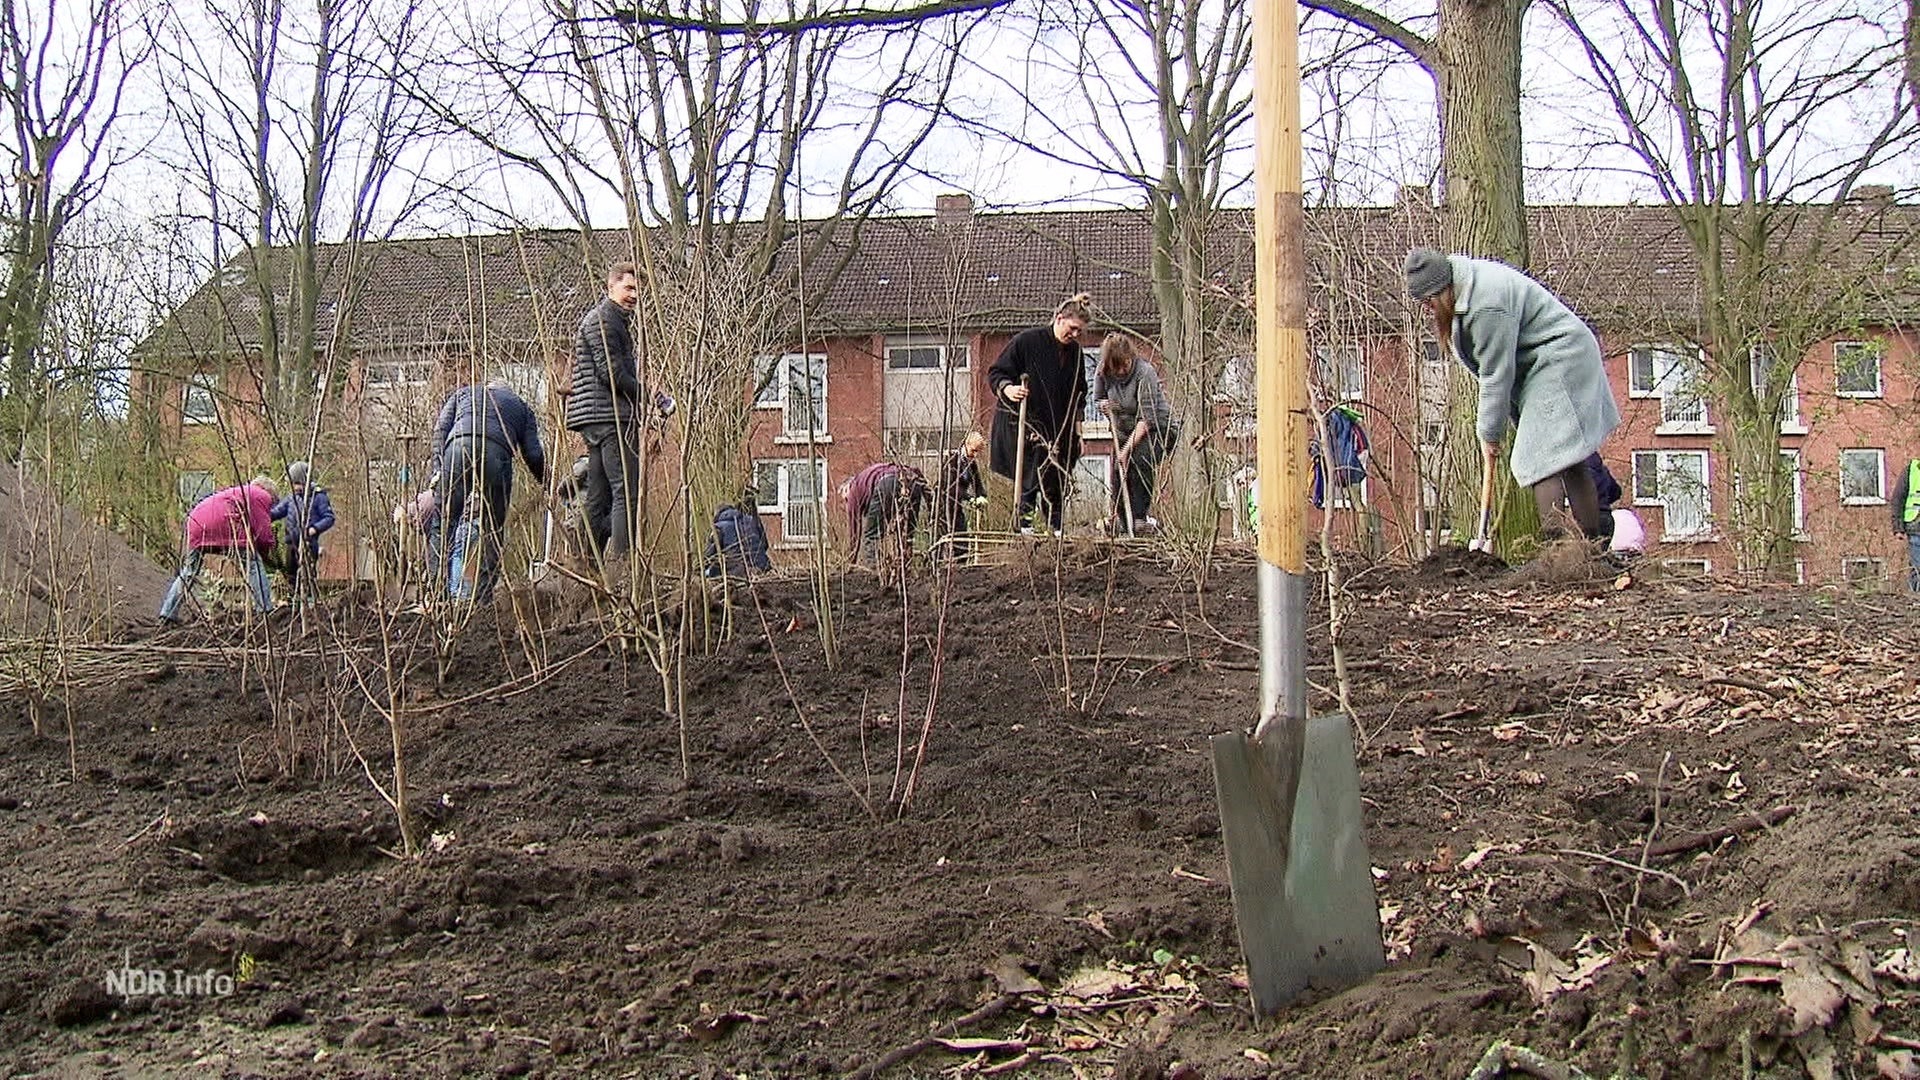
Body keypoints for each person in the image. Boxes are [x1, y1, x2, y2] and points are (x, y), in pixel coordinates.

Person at [1404, 248, 1621, 541]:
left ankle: (1559, 553)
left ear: (1441, 289)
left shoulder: (1486, 305)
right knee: (1570, 460)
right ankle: (1593, 550)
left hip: (1561, 359)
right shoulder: (1466, 287)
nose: (1428, 309)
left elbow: (1496, 376)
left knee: (1542, 457)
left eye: (1428, 301)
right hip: (1551, 361)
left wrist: (1488, 434)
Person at [565, 260, 674, 561]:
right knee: (627, 491)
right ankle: (624, 572)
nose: (634, 295)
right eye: (628, 287)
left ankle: (585, 568)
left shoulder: (614, 321)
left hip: (599, 417)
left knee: (598, 497)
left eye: (639, 290)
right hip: (607, 416)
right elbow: (611, 374)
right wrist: (656, 398)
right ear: (610, 286)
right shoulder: (604, 320)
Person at [432, 378, 548, 601]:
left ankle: (439, 596)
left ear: (488, 388)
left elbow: (440, 430)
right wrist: (547, 481)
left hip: (457, 448)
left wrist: (438, 470)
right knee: (492, 528)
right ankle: (483, 599)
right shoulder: (521, 406)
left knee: (444, 522)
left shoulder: (464, 394)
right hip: (496, 452)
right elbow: (533, 454)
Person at [989, 293, 1091, 535]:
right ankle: (1024, 528)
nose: (1075, 335)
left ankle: (1056, 532)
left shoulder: (1075, 353)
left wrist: (1079, 434)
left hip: (1060, 429)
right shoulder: (1026, 342)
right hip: (1026, 425)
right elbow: (996, 372)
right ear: (1059, 319)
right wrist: (1008, 388)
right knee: (1030, 478)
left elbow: (1079, 395)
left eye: (1080, 332)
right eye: (1073, 328)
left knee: (1057, 481)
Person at [158, 477, 279, 623]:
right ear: (269, 492)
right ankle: (265, 611)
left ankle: (167, 613)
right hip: (226, 524)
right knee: (253, 564)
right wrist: (269, 553)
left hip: (196, 523)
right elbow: (263, 533)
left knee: (189, 571)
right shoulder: (261, 495)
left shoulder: (234, 492)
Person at [1092, 332, 1173, 536]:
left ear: (1131, 357)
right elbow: (1098, 399)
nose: (1121, 371)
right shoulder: (1103, 374)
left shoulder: (1145, 373)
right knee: (1118, 472)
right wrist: (1103, 406)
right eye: (1116, 367)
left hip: (1158, 429)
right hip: (1124, 429)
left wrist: (1126, 450)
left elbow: (1146, 421)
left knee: (1140, 459)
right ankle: (1123, 521)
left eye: (1124, 365)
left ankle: (1139, 519)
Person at [269, 460, 334, 601]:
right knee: (291, 575)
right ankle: (294, 602)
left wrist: (314, 529)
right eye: (293, 484)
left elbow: (329, 518)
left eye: (297, 483)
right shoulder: (291, 498)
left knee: (308, 574)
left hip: (308, 543)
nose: (295, 487)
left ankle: (310, 602)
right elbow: (276, 512)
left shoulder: (318, 497)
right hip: (291, 543)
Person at [845, 461, 930, 566]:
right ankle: (906, 567)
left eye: (845, 498)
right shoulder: (872, 473)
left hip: (888, 483)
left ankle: (873, 570)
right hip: (913, 483)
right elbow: (916, 471)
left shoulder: (853, 488)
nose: (846, 501)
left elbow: (854, 530)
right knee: (907, 535)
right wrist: (931, 504)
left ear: (847, 487)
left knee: (872, 536)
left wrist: (851, 560)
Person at [935, 432, 989, 560]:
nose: (975, 455)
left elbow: (977, 483)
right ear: (967, 444)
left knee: (961, 535)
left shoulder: (971, 464)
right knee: (941, 535)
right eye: (974, 450)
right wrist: (970, 498)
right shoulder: (952, 461)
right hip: (943, 503)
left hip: (957, 503)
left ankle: (961, 565)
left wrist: (982, 496)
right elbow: (952, 486)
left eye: (978, 452)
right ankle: (936, 563)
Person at [704, 487, 773, 581]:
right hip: (762, 568)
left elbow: (709, 556)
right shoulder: (751, 520)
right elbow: (764, 545)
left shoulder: (719, 527)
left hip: (738, 573)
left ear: (717, 515)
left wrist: (703, 569)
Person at [1891, 457, 1920, 592]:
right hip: (1916, 527)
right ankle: (1915, 599)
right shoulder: (1912, 470)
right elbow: (1898, 498)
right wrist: (1898, 528)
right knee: (1917, 567)